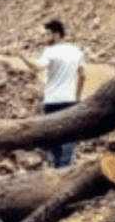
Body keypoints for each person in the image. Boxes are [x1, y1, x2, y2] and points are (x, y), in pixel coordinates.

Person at [35, 19, 86, 168]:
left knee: (53, 134)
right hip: (69, 100)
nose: (45, 37)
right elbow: (82, 75)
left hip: (51, 100)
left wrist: (20, 56)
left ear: (57, 34)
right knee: (69, 134)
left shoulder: (50, 52)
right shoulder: (76, 51)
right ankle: (66, 166)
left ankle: (56, 167)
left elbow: (36, 68)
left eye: (48, 34)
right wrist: (77, 96)